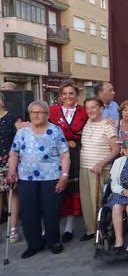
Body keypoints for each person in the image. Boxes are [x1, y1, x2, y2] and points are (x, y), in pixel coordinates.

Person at [7, 101, 69, 258]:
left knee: (51, 211)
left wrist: (64, 176)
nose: (35, 115)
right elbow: (14, 153)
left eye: (39, 112)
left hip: (51, 177)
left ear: (47, 114)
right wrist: (12, 170)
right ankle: (34, 244)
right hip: (27, 178)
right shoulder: (22, 132)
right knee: (28, 212)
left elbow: (65, 154)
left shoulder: (55, 131)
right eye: (32, 112)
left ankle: (53, 241)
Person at [48, 79, 89, 243]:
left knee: (72, 190)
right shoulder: (51, 111)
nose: (67, 96)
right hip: (55, 155)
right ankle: (50, 228)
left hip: (77, 153)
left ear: (77, 95)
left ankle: (69, 228)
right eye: (64, 93)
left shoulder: (84, 111)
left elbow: (95, 122)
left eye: (71, 93)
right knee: (55, 189)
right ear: (60, 96)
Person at [80, 97, 120, 242]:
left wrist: (101, 163)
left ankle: (103, 231)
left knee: (99, 201)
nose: (90, 110)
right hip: (84, 167)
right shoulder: (87, 123)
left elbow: (116, 149)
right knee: (86, 201)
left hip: (99, 169)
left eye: (94, 107)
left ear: (101, 109)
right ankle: (91, 230)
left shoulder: (108, 125)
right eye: (88, 108)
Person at [0, 92, 19, 243]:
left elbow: (21, 135)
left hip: (9, 160)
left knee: (11, 193)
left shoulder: (12, 117)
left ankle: (13, 229)